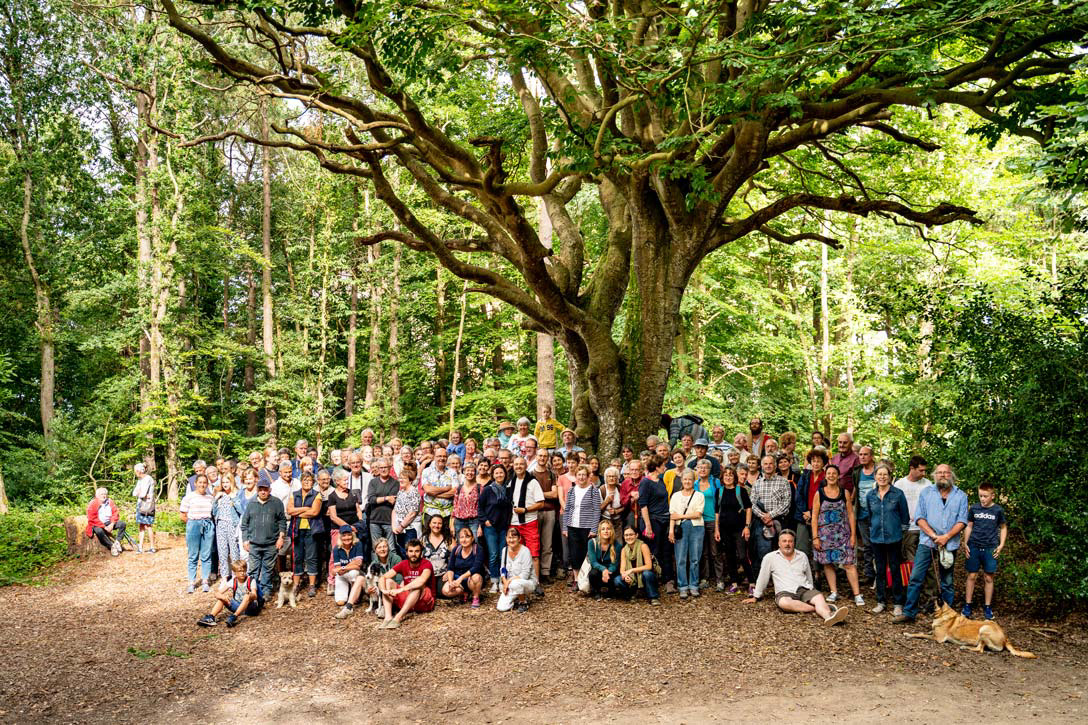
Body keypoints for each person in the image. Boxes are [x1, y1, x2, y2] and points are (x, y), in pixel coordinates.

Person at [894, 464, 969, 624]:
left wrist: (946, 537)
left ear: (951, 475)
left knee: (947, 581)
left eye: (946, 472)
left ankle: (947, 616)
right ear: (935, 475)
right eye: (939, 472)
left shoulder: (961, 496)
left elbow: (962, 521)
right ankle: (909, 612)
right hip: (927, 541)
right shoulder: (926, 493)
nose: (943, 475)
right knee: (916, 577)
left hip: (949, 543)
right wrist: (935, 536)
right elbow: (919, 517)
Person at [744, 530, 849, 625]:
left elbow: (808, 575)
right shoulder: (770, 558)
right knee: (784, 603)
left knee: (818, 597)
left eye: (790, 541)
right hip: (784, 592)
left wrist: (812, 589)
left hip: (803, 589)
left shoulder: (802, 556)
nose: (787, 544)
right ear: (779, 543)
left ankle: (829, 616)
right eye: (784, 541)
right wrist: (756, 596)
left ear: (794, 543)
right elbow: (763, 578)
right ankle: (820, 608)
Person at [811, 465, 864, 606]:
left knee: (849, 563)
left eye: (834, 473)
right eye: (829, 473)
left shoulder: (844, 493)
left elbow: (850, 514)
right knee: (828, 563)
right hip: (825, 536)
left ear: (838, 475)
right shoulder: (819, 493)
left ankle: (857, 594)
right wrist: (815, 537)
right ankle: (833, 591)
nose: (831, 476)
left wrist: (853, 535)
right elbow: (814, 516)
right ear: (825, 476)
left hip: (843, 534)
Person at [866, 463, 910, 615]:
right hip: (876, 538)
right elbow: (870, 517)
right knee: (880, 571)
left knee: (895, 569)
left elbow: (905, 518)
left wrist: (899, 534)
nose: (882, 477)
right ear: (875, 476)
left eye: (885, 474)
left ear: (890, 477)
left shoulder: (898, 494)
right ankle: (881, 601)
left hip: (894, 538)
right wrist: (873, 530)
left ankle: (898, 603)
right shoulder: (870, 495)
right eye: (879, 474)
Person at [894, 455, 937, 607]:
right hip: (908, 530)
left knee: (929, 564)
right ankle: (913, 598)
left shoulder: (928, 484)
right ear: (911, 469)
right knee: (911, 564)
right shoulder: (900, 484)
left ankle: (931, 597)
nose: (924, 473)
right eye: (921, 470)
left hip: (926, 530)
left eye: (925, 470)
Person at [962, 481, 1007, 620]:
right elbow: (969, 525)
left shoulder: (998, 510)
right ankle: (967, 605)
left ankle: (988, 607)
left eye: (985, 496)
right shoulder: (974, 508)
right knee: (972, 576)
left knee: (988, 577)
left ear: (992, 496)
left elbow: (1003, 527)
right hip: (974, 546)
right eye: (980, 496)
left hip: (990, 547)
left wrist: (1001, 545)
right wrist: (965, 543)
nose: (982, 499)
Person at [239, 477, 287, 598]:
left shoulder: (276, 503)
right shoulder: (251, 503)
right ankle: (252, 591)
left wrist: (281, 537)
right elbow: (244, 524)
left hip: (271, 543)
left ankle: (266, 591)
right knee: (253, 569)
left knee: (268, 569)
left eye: (265, 489)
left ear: (269, 490)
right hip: (254, 543)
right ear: (257, 490)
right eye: (260, 489)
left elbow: (282, 521)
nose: (263, 492)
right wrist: (245, 540)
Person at [378, 539, 435, 629]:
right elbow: (383, 577)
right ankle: (388, 617)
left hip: (423, 601)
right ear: (407, 553)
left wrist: (401, 589)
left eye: (417, 551)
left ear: (421, 553)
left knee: (417, 585)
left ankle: (398, 617)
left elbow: (422, 580)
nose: (413, 554)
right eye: (411, 551)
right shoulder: (403, 563)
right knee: (388, 581)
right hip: (408, 599)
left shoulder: (426, 564)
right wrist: (383, 590)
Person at [638, 455, 675, 593]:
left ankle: (668, 580)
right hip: (653, 521)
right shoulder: (645, 482)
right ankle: (652, 581)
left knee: (666, 551)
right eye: (663, 465)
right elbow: (643, 505)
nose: (665, 467)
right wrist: (648, 526)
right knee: (655, 551)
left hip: (665, 519)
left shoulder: (660, 481)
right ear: (656, 467)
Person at [507, 455, 546, 584]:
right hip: (514, 523)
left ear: (526, 466)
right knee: (517, 553)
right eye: (516, 464)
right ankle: (520, 581)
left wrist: (525, 510)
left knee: (533, 554)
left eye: (521, 464)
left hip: (529, 522)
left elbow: (541, 503)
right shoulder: (511, 482)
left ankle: (536, 583)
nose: (518, 466)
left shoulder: (532, 482)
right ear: (513, 466)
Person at [716, 466, 755, 595]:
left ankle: (752, 583)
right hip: (724, 529)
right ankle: (734, 584)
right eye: (726, 475)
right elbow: (717, 512)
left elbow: (748, 508)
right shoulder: (719, 491)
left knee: (743, 556)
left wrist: (747, 526)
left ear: (734, 477)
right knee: (729, 556)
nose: (728, 477)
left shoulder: (741, 491)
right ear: (722, 477)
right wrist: (717, 529)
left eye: (731, 475)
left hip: (739, 529)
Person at [563, 464, 603, 591]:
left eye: (584, 475)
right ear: (576, 476)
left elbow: (597, 511)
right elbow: (567, 509)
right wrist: (565, 527)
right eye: (579, 475)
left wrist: (594, 529)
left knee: (587, 554)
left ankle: (587, 580)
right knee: (574, 553)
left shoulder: (593, 491)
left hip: (587, 527)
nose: (581, 477)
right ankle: (576, 580)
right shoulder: (572, 490)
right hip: (572, 526)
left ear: (588, 476)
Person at [669, 469, 706, 598]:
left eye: (690, 479)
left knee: (695, 558)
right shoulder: (675, 496)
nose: (687, 481)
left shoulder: (699, 496)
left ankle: (694, 585)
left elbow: (698, 514)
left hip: (696, 527)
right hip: (680, 528)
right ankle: (682, 586)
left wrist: (681, 516)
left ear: (693, 481)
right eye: (685, 479)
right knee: (680, 558)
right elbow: (672, 515)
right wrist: (671, 531)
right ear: (681, 480)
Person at [751, 454, 793, 563]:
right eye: (765, 464)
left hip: (779, 521)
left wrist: (770, 515)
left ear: (775, 466)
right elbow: (752, 503)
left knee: (781, 552)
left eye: (771, 464)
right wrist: (763, 516)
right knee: (763, 553)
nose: (768, 466)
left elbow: (786, 502)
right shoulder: (757, 483)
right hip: (761, 522)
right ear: (761, 466)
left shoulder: (783, 482)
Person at [197, 559, 263, 628]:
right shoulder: (233, 581)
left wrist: (250, 595)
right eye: (240, 571)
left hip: (249, 608)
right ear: (235, 573)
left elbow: (255, 596)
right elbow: (217, 593)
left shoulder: (251, 580)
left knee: (246, 596)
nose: (242, 573)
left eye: (244, 571)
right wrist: (223, 598)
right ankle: (211, 617)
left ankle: (234, 617)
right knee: (221, 599)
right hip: (237, 605)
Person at [287, 471, 322, 601]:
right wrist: (306, 508)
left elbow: (314, 512)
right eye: (304, 480)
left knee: (311, 557)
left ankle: (312, 585)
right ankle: (296, 584)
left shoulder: (317, 495)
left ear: (313, 482)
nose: (307, 482)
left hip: (311, 530)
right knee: (297, 557)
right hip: (296, 530)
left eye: (309, 480)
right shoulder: (295, 494)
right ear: (301, 481)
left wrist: (298, 512)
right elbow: (289, 510)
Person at [478, 463, 512, 592]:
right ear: (493, 475)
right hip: (490, 527)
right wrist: (485, 521)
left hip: (503, 527)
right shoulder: (488, 489)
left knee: (503, 555)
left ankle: (503, 579)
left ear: (505, 474)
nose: (499, 475)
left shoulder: (508, 490)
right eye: (496, 473)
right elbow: (480, 507)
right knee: (493, 555)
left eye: (501, 472)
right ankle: (494, 581)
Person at [180, 477, 215, 592]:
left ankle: (205, 580)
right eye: (200, 482)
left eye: (204, 483)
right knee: (193, 555)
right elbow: (183, 515)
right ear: (195, 483)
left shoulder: (210, 498)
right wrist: (193, 524)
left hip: (208, 525)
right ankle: (191, 582)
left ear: (207, 484)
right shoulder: (189, 497)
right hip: (194, 525)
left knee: (206, 554)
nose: (202, 485)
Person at [793, 448, 828, 561]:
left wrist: (812, 513)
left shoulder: (826, 478)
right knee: (801, 546)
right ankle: (802, 569)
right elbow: (798, 495)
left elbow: (825, 498)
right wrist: (806, 512)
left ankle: (817, 570)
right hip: (803, 515)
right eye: (813, 461)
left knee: (818, 545)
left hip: (820, 516)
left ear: (823, 463)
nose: (815, 464)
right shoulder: (805, 475)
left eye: (818, 461)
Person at [693, 459, 721, 590]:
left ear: (710, 470)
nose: (703, 470)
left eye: (706, 467)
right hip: (698, 521)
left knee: (715, 551)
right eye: (700, 467)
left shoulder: (715, 482)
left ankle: (719, 579)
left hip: (713, 520)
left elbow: (720, 501)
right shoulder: (694, 484)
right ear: (697, 469)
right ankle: (705, 578)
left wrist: (718, 523)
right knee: (703, 552)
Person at [851, 445, 878, 584]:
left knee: (878, 543)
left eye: (865, 454)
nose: (862, 457)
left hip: (877, 515)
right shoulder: (857, 471)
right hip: (862, 514)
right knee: (867, 545)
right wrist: (850, 502)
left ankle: (881, 573)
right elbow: (856, 488)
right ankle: (869, 574)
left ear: (871, 456)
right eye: (860, 454)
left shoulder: (879, 470)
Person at [212, 472, 244, 583]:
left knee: (234, 552)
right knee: (222, 552)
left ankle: (235, 575)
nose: (225, 484)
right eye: (223, 482)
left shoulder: (237, 494)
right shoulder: (220, 495)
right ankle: (225, 576)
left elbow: (241, 511)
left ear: (232, 482)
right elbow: (214, 512)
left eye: (227, 482)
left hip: (232, 525)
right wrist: (215, 500)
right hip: (221, 524)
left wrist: (234, 499)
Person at [442, 527, 486, 607]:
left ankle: (475, 597)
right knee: (446, 590)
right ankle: (463, 593)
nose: (464, 540)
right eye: (462, 537)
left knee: (476, 577)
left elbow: (476, 568)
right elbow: (450, 568)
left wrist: (460, 578)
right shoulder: (456, 549)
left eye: (467, 537)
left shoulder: (478, 549)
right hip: (458, 579)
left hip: (471, 579)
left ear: (472, 538)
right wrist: (451, 582)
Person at [331, 525, 367, 619]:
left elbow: (358, 565)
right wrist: (352, 563)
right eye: (344, 535)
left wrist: (344, 567)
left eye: (349, 535)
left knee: (354, 572)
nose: (347, 538)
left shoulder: (357, 544)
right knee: (340, 602)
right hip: (343, 575)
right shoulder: (336, 548)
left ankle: (355, 595)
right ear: (340, 537)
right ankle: (348, 594)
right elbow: (338, 570)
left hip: (354, 573)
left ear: (352, 535)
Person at [618, 525, 660, 604]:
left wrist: (632, 570)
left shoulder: (643, 546)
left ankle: (653, 597)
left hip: (644, 576)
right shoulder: (624, 550)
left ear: (636, 535)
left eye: (631, 534)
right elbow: (622, 569)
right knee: (617, 580)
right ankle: (631, 595)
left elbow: (649, 566)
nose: (628, 537)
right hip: (632, 578)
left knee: (647, 574)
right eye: (626, 535)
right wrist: (625, 576)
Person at [497, 527, 535, 612]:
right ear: (506, 538)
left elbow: (525, 575)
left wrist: (509, 581)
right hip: (511, 584)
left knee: (515, 583)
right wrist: (505, 581)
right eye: (509, 537)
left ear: (519, 538)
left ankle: (523, 602)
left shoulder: (525, 551)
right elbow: (503, 568)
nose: (511, 540)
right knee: (501, 607)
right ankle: (516, 598)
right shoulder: (505, 550)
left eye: (514, 537)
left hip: (526, 582)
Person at [421, 448, 457, 533]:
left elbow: (454, 492)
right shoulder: (426, 471)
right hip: (430, 512)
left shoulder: (452, 473)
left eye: (444, 456)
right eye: (439, 456)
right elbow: (428, 490)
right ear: (434, 457)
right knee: (428, 537)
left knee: (446, 538)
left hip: (447, 513)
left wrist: (435, 493)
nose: (442, 458)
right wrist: (446, 488)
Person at [366, 457, 400, 548]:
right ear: (378, 468)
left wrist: (379, 499)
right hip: (375, 520)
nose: (383, 469)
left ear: (390, 468)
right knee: (376, 548)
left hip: (389, 520)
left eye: (385, 467)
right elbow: (371, 500)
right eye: (381, 467)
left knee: (391, 548)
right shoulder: (373, 482)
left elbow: (393, 500)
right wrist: (387, 498)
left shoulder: (395, 483)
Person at [86, 487, 128, 556]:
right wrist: (104, 527)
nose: (104, 496)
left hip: (109, 522)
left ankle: (117, 542)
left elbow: (115, 513)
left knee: (122, 524)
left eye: (105, 494)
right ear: (97, 496)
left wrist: (112, 524)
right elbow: (92, 518)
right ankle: (111, 546)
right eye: (101, 494)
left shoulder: (110, 502)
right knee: (99, 531)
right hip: (98, 523)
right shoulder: (93, 503)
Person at [585, 520, 622, 599]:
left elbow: (615, 564)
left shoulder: (617, 545)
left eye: (608, 529)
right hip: (598, 569)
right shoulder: (592, 542)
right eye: (603, 529)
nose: (606, 531)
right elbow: (593, 562)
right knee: (593, 573)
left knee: (615, 574)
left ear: (611, 531)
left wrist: (607, 572)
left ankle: (611, 591)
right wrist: (603, 569)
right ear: (599, 532)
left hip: (611, 571)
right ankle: (596, 591)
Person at [392, 463, 422, 555]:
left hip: (410, 529)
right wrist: (394, 526)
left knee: (411, 553)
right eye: (400, 478)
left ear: (410, 480)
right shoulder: (401, 492)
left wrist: (401, 526)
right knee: (402, 552)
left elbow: (412, 513)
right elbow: (395, 510)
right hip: (399, 529)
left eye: (404, 478)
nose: (401, 480)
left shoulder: (414, 492)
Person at [131, 463, 156, 554]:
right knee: (141, 526)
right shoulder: (140, 480)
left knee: (148, 525)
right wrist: (141, 494)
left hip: (147, 506)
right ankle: (140, 547)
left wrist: (141, 494)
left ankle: (152, 547)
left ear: (138, 471)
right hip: (140, 505)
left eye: (135, 471)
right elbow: (134, 493)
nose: (135, 473)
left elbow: (142, 493)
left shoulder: (148, 479)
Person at [422, 513, 451, 583]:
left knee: (446, 589)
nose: (436, 525)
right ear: (429, 524)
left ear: (442, 525)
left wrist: (449, 572)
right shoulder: (423, 539)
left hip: (443, 575)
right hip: (426, 574)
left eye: (439, 523)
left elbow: (456, 558)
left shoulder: (448, 540)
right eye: (434, 523)